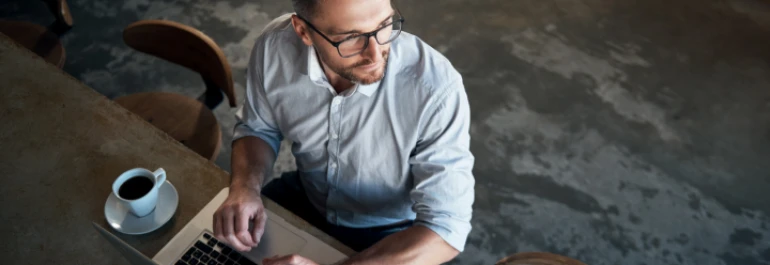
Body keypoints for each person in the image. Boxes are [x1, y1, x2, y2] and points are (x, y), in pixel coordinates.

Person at [212, 0, 475, 264]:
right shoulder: (274, 47)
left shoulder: (435, 89)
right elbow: (258, 128)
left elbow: (445, 227)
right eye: (350, 38)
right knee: (217, 255)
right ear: (303, 31)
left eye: (385, 25)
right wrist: (244, 187)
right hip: (306, 196)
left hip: (392, 233)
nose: (375, 54)